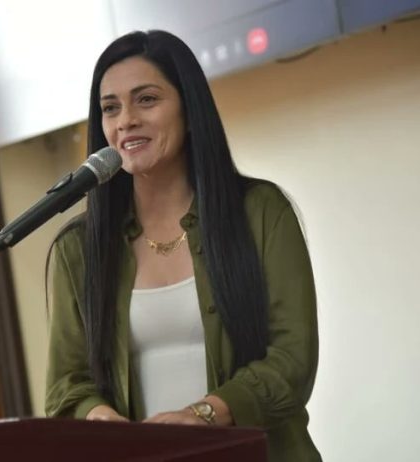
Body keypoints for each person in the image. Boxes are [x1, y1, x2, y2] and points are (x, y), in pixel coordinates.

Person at [45, 30, 321, 461]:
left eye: (147, 99)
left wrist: (205, 415)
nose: (126, 120)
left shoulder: (260, 212)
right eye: (110, 108)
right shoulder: (78, 249)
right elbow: (66, 386)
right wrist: (101, 420)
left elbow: (293, 358)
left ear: (190, 111)